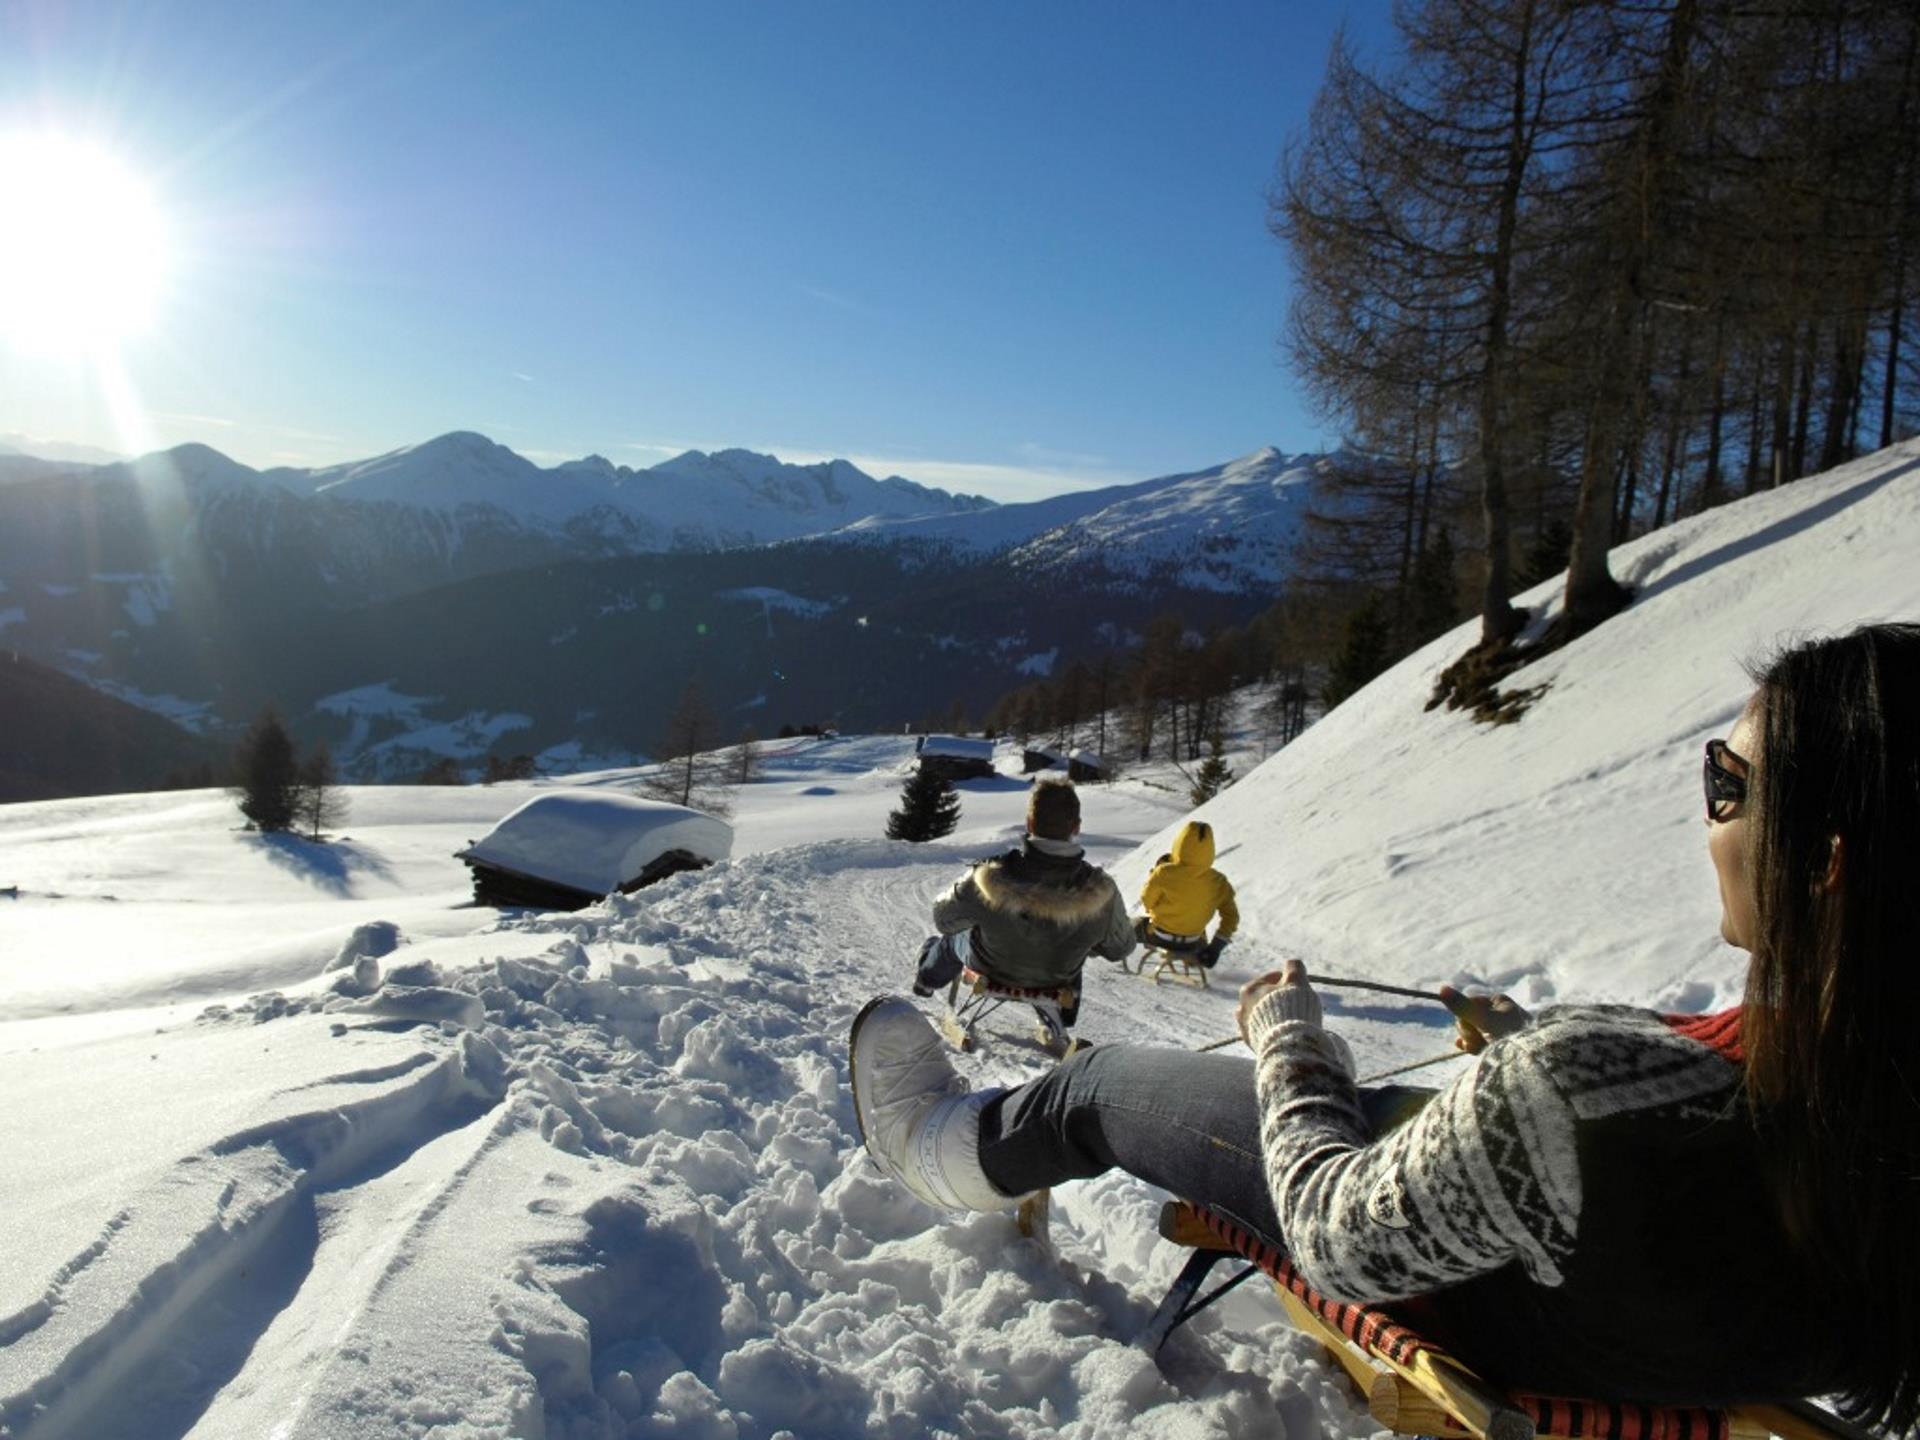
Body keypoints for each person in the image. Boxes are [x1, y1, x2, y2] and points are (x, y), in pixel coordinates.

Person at [851, 623, 1920, 1432]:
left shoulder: (1583, 1094)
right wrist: (1539, 1051)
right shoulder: (1872, 1131)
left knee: (1101, 1085)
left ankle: (941, 1144)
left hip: (1451, 1277)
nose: (1708, 816)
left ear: (1825, 861)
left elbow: (1335, 1232)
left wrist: (1290, 1044)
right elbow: (1650, 1123)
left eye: (1728, 786)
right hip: (1596, 1301)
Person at [909, 778, 1135, 1034]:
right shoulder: (1102, 891)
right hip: (1056, 980)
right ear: (1077, 827)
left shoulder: (991, 876)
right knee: (1076, 949)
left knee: (954, 937)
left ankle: (926, 979)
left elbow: (943, 919)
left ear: (1029, 823)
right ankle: (1061, 1020)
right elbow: (1121, 949)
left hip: (990, 969)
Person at [1136, 818, 1239, 968]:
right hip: (1193, 940)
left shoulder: (1164, 872)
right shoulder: (1219, 881)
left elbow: (1147, 901)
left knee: (1132, 925)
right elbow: (1232, 917)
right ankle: (1196, 957)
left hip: (1159, 936)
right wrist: (1216, 946)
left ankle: (1104, 947)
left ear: (1180, 843)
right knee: (1197, 927)